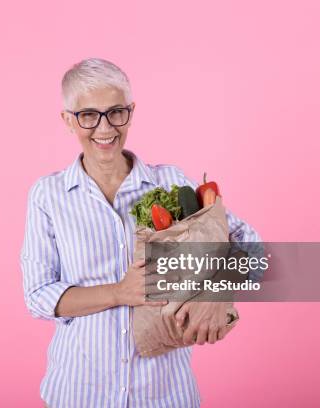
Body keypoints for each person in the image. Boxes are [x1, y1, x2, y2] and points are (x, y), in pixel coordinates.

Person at [20, 58, 262, 408]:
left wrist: (214, 292)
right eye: (88, 115)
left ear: (130, 112)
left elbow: (252, 248)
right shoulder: (48, 196)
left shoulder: (171, 183)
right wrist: (119, 292)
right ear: (67, 120)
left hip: (164, 394)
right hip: (78, 392)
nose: (104, 127)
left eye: (116, 111)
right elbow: (39, 295)